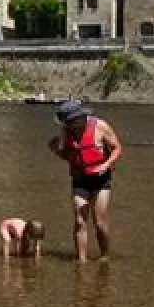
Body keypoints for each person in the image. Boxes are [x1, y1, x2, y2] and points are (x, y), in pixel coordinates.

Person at [48, 101, 122, 263]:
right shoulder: (66, 132)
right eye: (67, 122)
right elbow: (69, 156)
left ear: (82, 116)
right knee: (79, 221)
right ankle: (82, 261)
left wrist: (105, 165)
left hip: (101, 178)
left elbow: (117, 148)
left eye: (73, 121)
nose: (71, 125)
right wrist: (56, 151)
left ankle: (105, 256)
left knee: (99, 221)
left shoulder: (100, 126)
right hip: (80, 179)